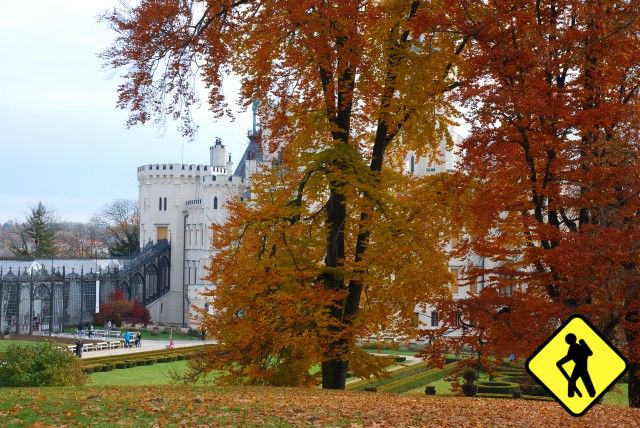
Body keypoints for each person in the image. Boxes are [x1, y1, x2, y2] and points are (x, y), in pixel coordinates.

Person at [556, 333, 596, 398]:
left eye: (567, 339)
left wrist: (560, 362)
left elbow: (569, 357)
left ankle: (571, 395)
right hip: (581, 366)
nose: (566, 340)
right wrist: (560, 362)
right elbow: (569, 356)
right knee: (585, 380)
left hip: (580, 366)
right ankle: (592, 394)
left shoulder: (574, 347)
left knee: (573, 381)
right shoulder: (577, 346)